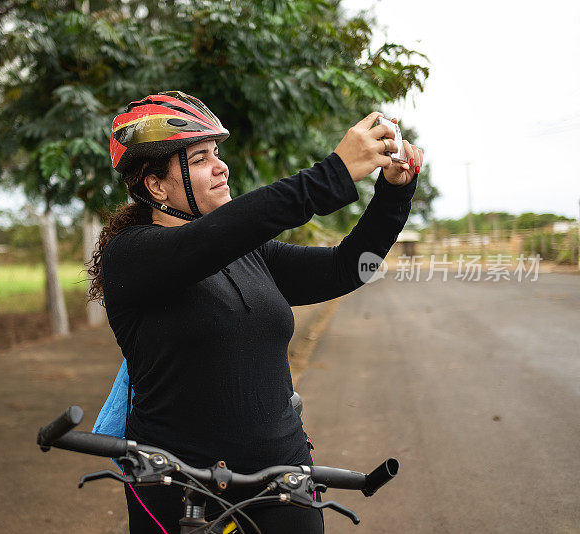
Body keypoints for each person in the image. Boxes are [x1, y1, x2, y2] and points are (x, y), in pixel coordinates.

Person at [87, 91, 422, 533]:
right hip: (179, 485)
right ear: (156, 186)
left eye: (216, 153)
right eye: (200, 158)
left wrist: (394, 195)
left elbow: (348, 269)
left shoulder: (251, 253)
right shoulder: (131, 256)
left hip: (281, 475)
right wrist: (332, 174)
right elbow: (208, 242)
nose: (221, 166)